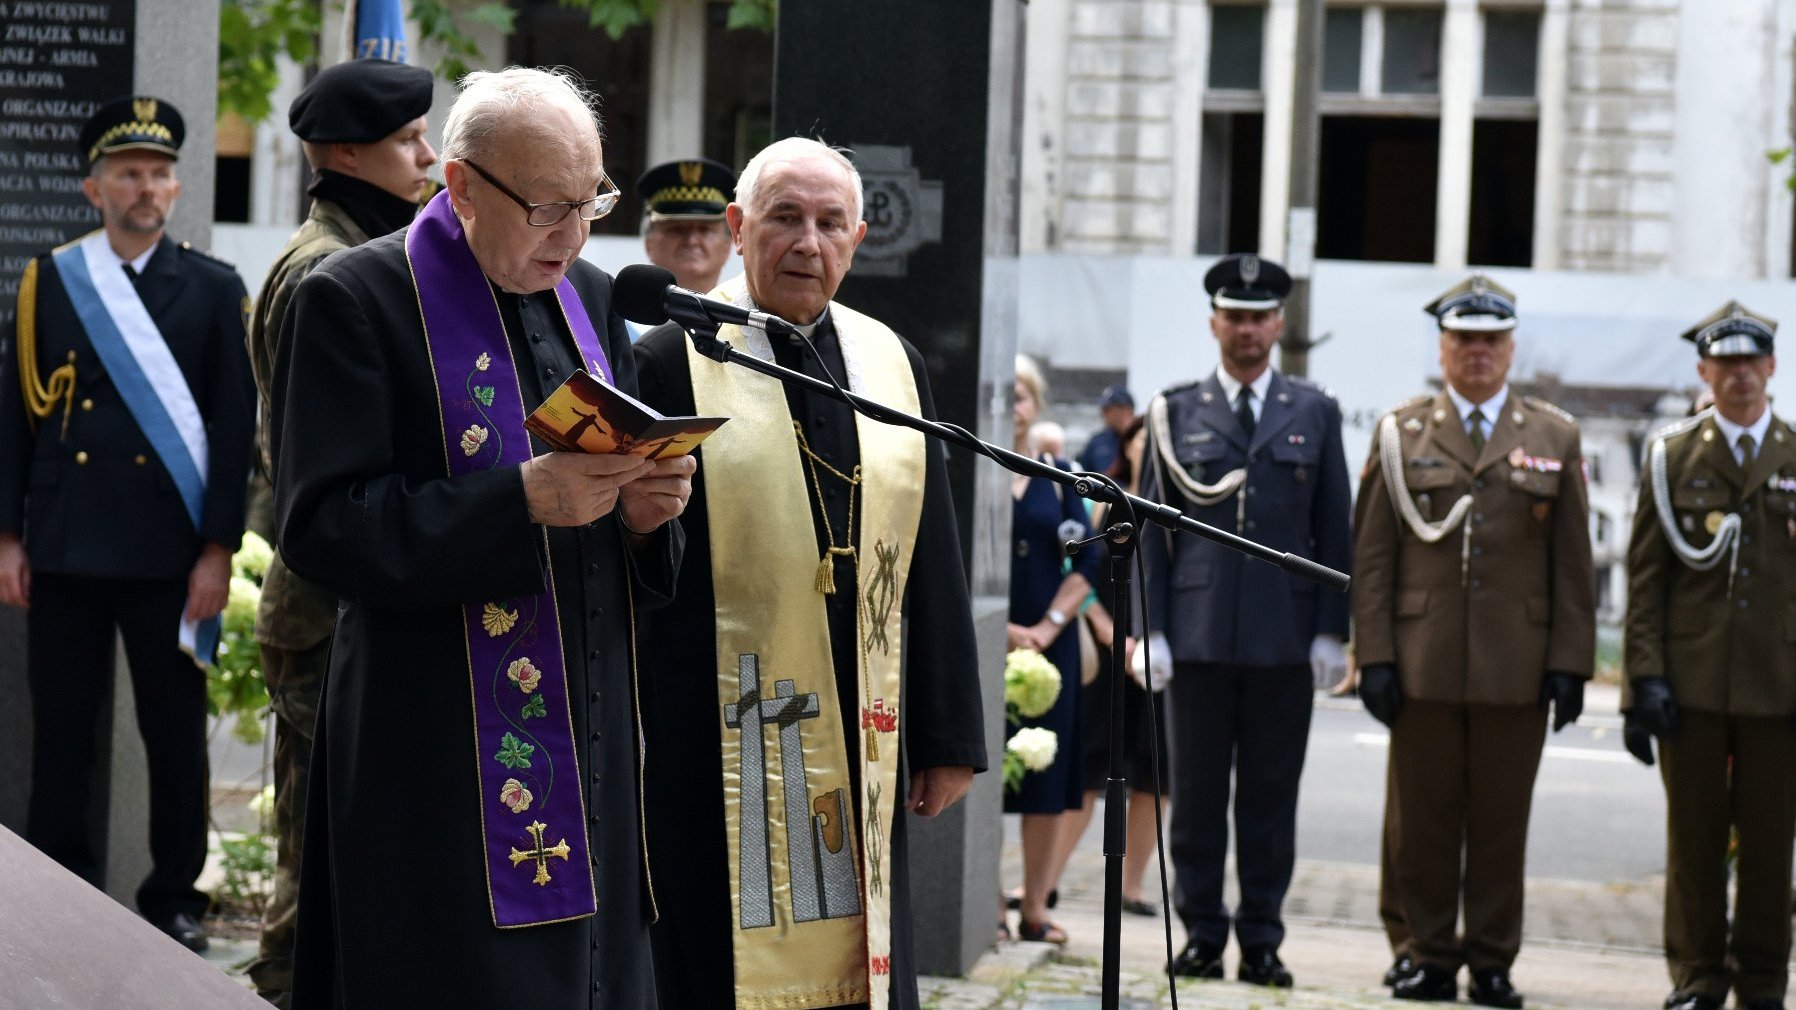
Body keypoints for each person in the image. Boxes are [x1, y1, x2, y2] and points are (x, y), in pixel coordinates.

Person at [270, 67, 693, 1008]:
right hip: (436, 747)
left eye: (592, 203)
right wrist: (521, 503)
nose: (575, 235)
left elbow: (614, 513)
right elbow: (322, 526)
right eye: (549, 207)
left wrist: (643, 516)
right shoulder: (354, 299)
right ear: (460, 185)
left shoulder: (589, 294)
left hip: (590, 737)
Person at [632, 136, 986, 1010]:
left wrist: (946, 736)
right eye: (786, 218)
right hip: (717, 726)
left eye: (831, 224)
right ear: (738, 227)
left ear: (858, 239)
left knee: (858, 949)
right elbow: (629, 557)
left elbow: (931, 549)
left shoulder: (888, 363)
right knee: (723, 965)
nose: (808, 243)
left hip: (862, 714)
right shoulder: (667, 360)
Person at [0, 95, 256, 952]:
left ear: (176, 187)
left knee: (173, 732)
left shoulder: (215, 290)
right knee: (62, 730)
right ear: (93, 188)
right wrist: (7, 535)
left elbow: (233, 428)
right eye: (128, 174)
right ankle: (58, 886)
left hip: (171, 553)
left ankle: (175, 896)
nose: (146, 188)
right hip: (67, 546)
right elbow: (12, 419)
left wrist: (218, 547)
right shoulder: (49, 282)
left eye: (158, 173)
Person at [240, 57, 436, 1007]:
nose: (429, 157)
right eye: (407, 142)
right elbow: (308, 465)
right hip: (325, 610)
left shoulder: (362, 249)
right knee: (317, 859)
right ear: (345, 152)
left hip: (345, 602)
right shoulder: (327, 269)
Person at [1353, 274, 1594, 1008]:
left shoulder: (1554, 435)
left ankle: (1491, 960)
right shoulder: (1401, 431)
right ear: (1444, 348)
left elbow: (1573, 564)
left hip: (1515, 666)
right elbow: (1373, 553)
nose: (1478, 353)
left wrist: (1569, 663)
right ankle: (1427, 955)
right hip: (1422, 659)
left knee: (1499, 823)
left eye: (1491, 341)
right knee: (1420, 821)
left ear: (1511, 348)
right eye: (1465, 340)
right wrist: (1375, 655)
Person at [1140, 253, 1351, 988]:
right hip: (1196, 638)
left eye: (1260, 318)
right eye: (1235, 316)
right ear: (1214, 323)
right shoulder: (1174, 410)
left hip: (1285, 638)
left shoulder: (1315, 411)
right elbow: (1147, 530)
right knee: (1195, 801)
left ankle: (1261, 938)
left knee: (1268, 801)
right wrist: (1150, 628)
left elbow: (1335, 528)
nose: (1248, 329)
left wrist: (1333, 630)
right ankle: (1201, 932)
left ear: (1279, 326)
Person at [1622, 302, 1796, 1010]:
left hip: (1779, 688)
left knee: (1768, 847)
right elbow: (1645, 580)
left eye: (1752, 362)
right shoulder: (1672, 457)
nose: (1741, 375)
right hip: (1690, 684)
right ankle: (1698, 976)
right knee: (1694, 845)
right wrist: (1644, 681)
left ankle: (1761, 983)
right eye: (1726, 363)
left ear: (1772, 368)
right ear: (1704, 371)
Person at [1002, 354, 1101, 946]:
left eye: (1021, 395)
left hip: (1051, 649)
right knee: (982, 774)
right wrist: (1003, 632)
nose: (1012, 405)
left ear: (1036, 406)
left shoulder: (1065, 476)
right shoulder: (967, 462)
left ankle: (1035, 906)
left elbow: (1088, 558)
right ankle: (984, 905)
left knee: (1046, 778)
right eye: (1002, 393)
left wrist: (1047, 625)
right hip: (986, 645)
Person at [1063, 416, 1170, 918]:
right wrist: (1113, 634)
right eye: (1140, 441)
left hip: (1163, 657)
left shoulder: (1182, 504)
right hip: (1109, 654)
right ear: (1126, 446)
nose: (1148, 450)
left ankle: (1132, 887)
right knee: (1088, 769)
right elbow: (1078, 572)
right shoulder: (1104, 499)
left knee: (1155, 775)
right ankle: (1045, 883)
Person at [628, 157, 735, 339]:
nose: (692, 240)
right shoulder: (616, 333)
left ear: (727, 245)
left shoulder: (747, 333)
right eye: (676, 229)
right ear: (649, 243)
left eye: (704, 230)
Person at [1078, 385, 1135, 476]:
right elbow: (1081, 473)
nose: (1102, 413)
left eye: (1107, 409)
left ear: (1124, 410)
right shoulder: (1097, 442)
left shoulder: (1142, 440)